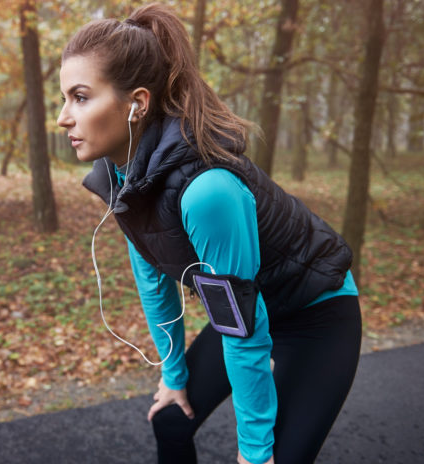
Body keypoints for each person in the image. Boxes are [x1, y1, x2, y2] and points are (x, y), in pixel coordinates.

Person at [57, 3, 361, 464]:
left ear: (137, 103)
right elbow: (152, 275)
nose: (63, 117)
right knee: (169, 418)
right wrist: (174, 375)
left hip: (315, 315)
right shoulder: (121, 175)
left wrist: (255, 452)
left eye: (80, 97)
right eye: (64, 98)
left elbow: (243, 330)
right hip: (250, 310)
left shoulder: (207, 191)